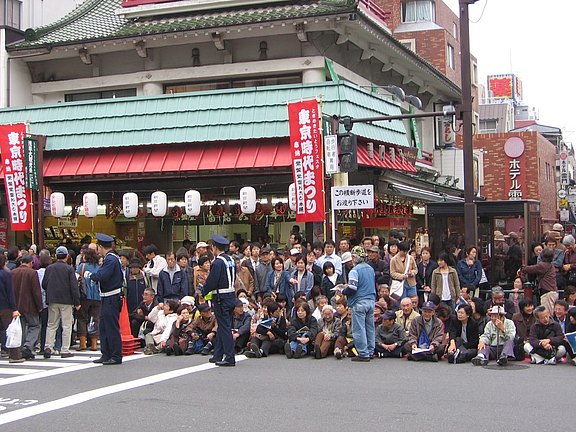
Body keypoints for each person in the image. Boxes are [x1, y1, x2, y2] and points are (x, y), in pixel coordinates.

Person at [201, 235, 237, 367]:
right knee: (224, 326)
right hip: (231, 295)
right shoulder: (231, 260)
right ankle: (218, 354)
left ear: (215, 247)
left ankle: (229, 357)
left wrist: (204, 291)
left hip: (221, 297)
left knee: (225, 327)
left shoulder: (217, 262)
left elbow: (212, 281)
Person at [90, 233, 124, 365]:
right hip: (106, 297)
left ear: (100, 246)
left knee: (111, 327)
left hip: (112, 296)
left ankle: (116, 355)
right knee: (104, 327)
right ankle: (106, 353)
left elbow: (102, 276)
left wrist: (92, 276)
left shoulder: (111, 259)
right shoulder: (110, 258)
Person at [42, 246, 80, 359]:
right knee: (67, 325)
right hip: (66, 300)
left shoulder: (49, 268)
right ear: (66, 256)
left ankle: (48, 346)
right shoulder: (69, 269)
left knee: (52, 324)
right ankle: (65, 349)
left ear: (56, 256)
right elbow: (74, 287)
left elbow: (44, 284)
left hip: (52, 299)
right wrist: (77, 301)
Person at [342, 246, 377, 362]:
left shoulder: (355, 270)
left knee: (359, 329)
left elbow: (352, 287)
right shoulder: (370, 269)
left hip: (359, 302)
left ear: (355, 257)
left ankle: (363, 353)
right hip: (371, 301)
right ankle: (371, 351)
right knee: (370, 328)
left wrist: (342, 290)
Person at [11, 255, 43, 360]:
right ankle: (28, 346)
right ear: (30, 263)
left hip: (16, 305)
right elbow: (36, 291)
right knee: (34, 325)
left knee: (22, 327)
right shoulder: (32, 273)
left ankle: (21, 348)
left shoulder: (13, 272)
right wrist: (39, 306)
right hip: (30, 305)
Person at [76, 247, 102, 351]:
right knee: (95, 319)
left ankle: (83, 343)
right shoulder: (99, 267)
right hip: (97, 296)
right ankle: (94, 344)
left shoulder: (82, 266)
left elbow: (76, 278)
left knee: (82, 318)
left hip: (84, 296)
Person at [519, 247, 558, 316]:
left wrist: (522, 268)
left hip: (547, 293)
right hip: (551, 291)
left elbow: (530, 269)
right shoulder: (551, 265)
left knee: (547, 314)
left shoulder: (543, 265)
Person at [0, 254, 24, 363]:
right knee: (11, 330)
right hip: (5, 305)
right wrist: (14, 308)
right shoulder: (6, 273)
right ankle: (14, 355)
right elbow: (10, 292)